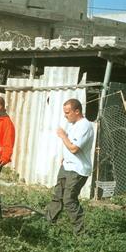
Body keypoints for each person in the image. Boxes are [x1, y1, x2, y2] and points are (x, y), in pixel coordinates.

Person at [45, 98, 94, 235]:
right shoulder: (73, 124)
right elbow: (70, 146)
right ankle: (48, 223)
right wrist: (64, 156)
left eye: (67, 112)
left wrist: (62, 136)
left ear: (77, 111)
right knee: (57, 195)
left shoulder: (85, 126)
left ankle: (82, 233)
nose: (65, 115)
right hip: (67, 166)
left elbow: (74, 148)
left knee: (69, 199)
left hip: (77, 169)